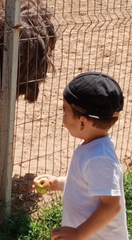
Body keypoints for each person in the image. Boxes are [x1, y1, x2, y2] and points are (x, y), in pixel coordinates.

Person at [33, 72, 129, 240]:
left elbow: (112, 206)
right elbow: (86, 182)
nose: (62, 118)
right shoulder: (93, 145)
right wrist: (59, 182)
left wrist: (79, 233)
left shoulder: (100, 159)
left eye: (65, 111)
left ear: (83, 122)